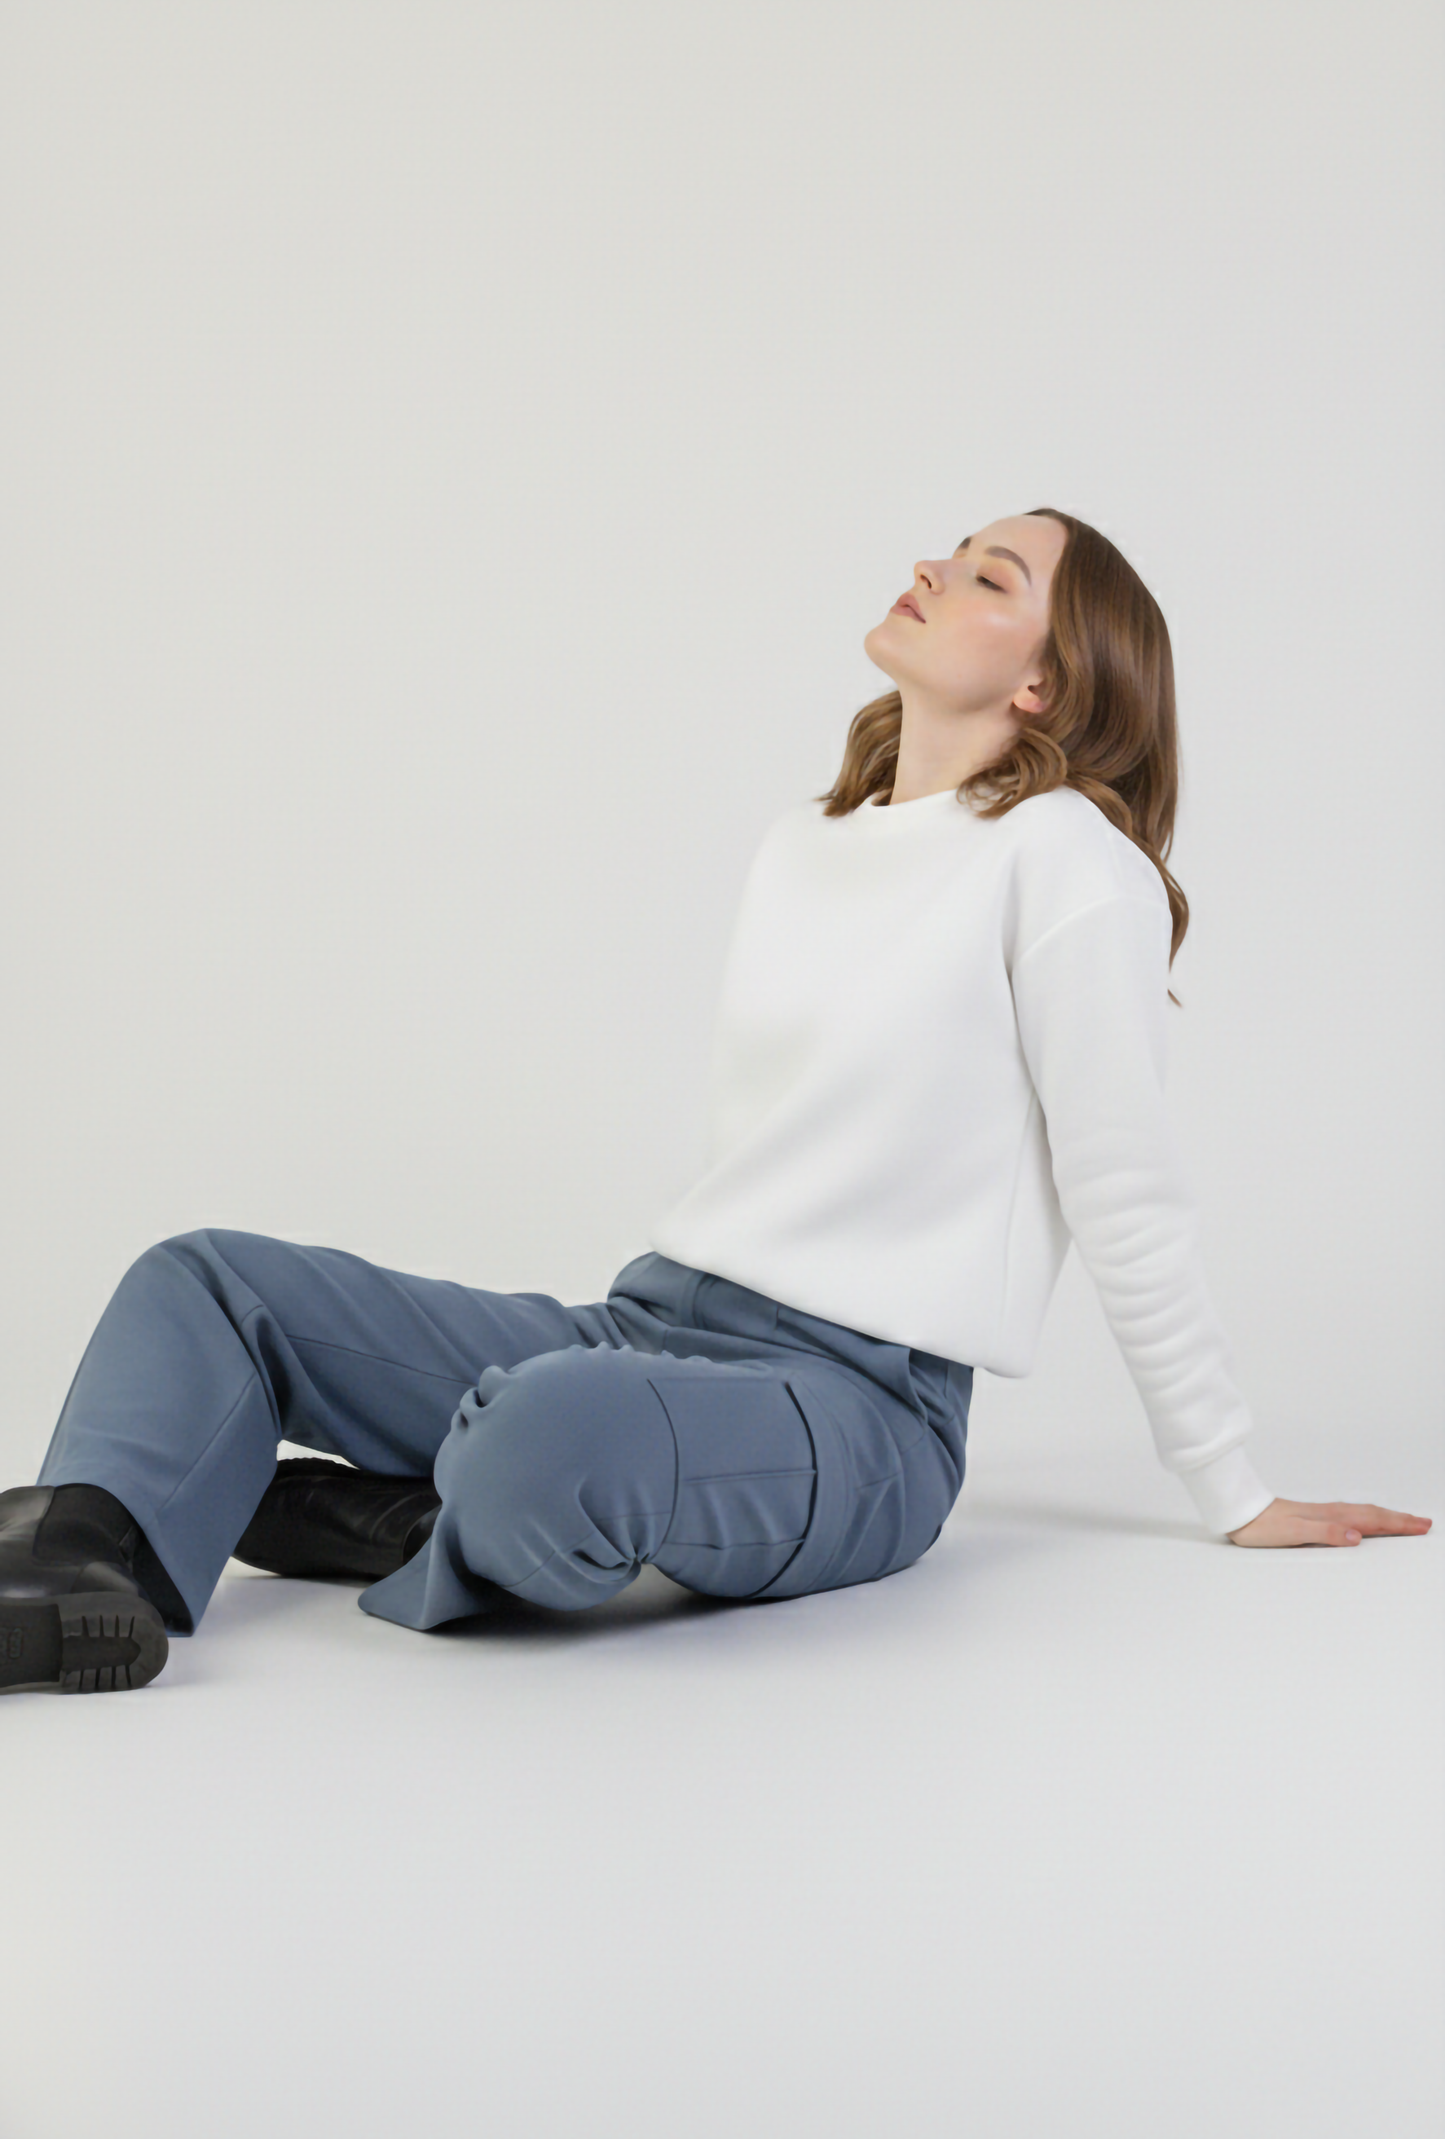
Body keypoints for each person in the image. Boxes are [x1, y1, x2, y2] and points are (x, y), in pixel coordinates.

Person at [1, 507, 1429, 1697]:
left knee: (549, 1432)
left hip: (861, 1412)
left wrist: (1229, 1484)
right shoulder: (808, 843)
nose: (934, 568)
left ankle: (441, 1506)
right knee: (201, 1285)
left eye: (991, 577)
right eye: (954, 548)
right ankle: (87, 1563)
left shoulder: (1069, 864)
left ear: (1048, 685)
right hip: (658, 1321)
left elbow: (1124, 1184)